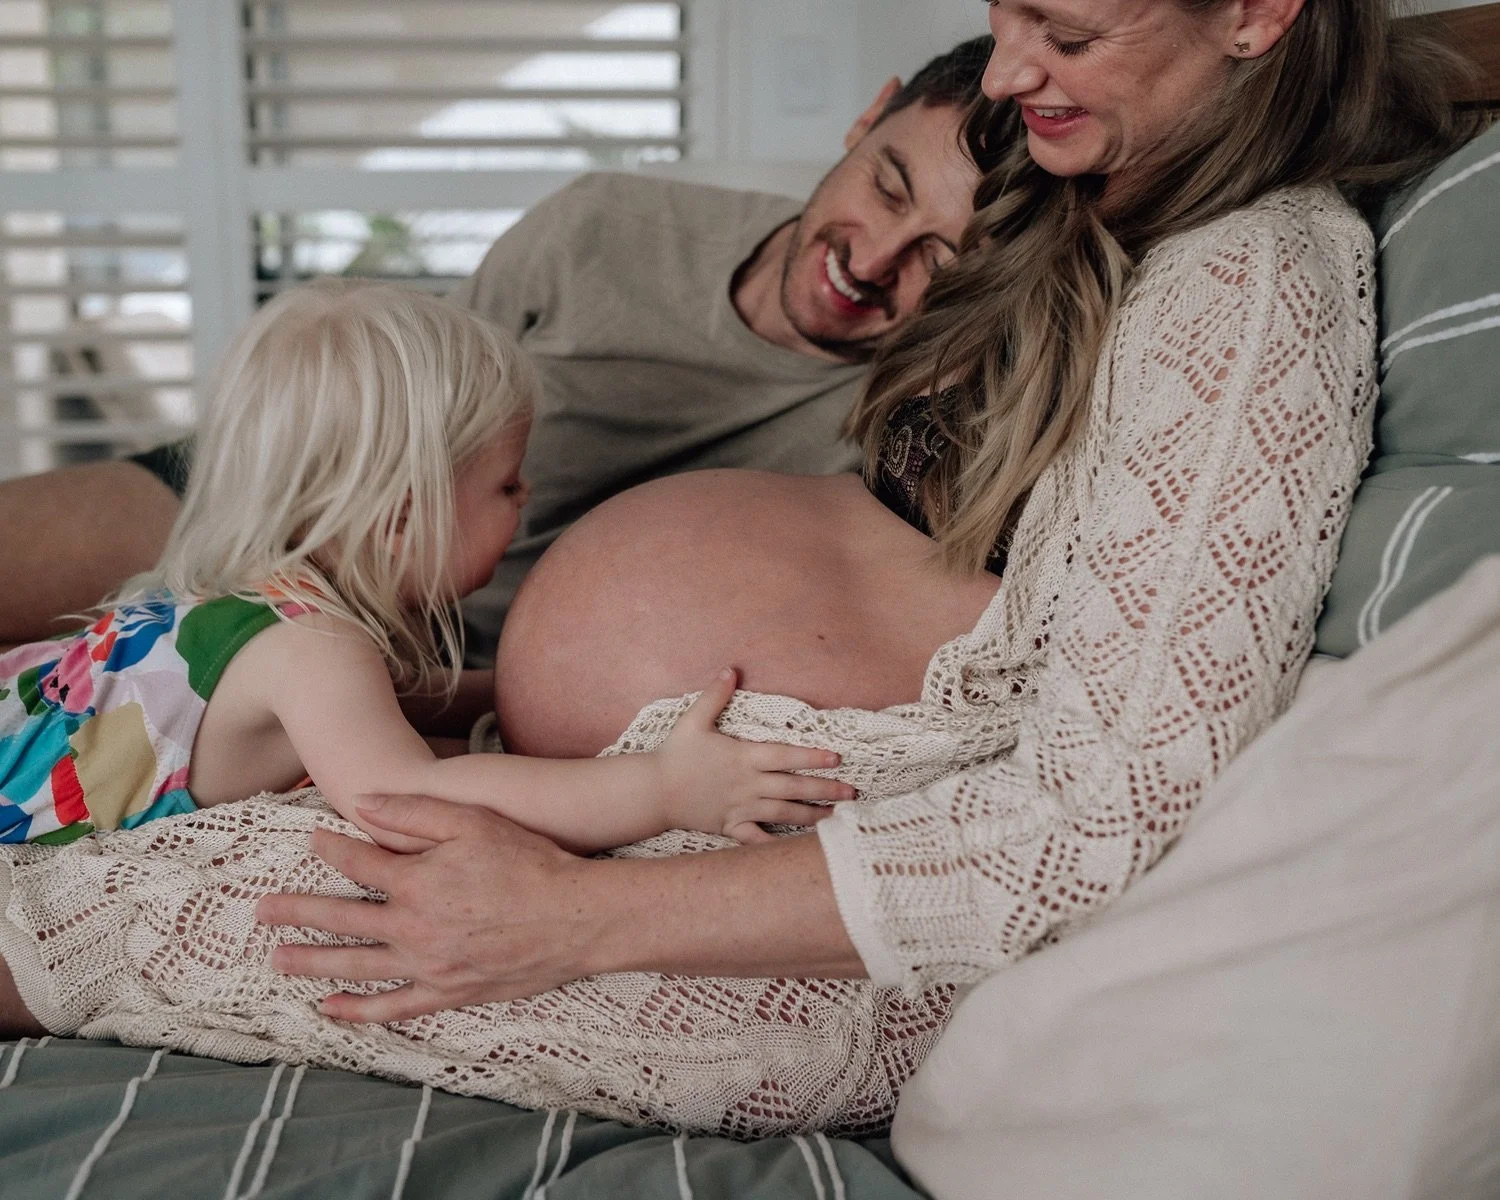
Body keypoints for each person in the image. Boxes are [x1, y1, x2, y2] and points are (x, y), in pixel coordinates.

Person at [0, 0, 1479, 1140]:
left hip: (773, 916)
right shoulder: (1115, 216)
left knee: (82, 916)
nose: (1012, 69)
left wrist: (575, 919)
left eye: (1068, 32)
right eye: (1011, 12)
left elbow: (1098, 820)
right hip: (634, 801)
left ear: (1257, 14)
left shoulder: (1247, 280)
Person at [0, 37, 995, 665]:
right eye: (887, 186)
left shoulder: (928, 418)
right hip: (288, 499)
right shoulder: (603, 225)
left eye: (939, 260)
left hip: (447, 652)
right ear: (867, 117)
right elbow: (389, 415)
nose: (874, 259)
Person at [0, 281, 850, 849]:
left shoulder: (266, 595)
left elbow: (404, 697)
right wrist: (661, 790)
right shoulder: (311, 649)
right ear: (404, 515)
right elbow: (406, 798)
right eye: (506, 483)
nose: (527, 497)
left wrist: (560, 694)